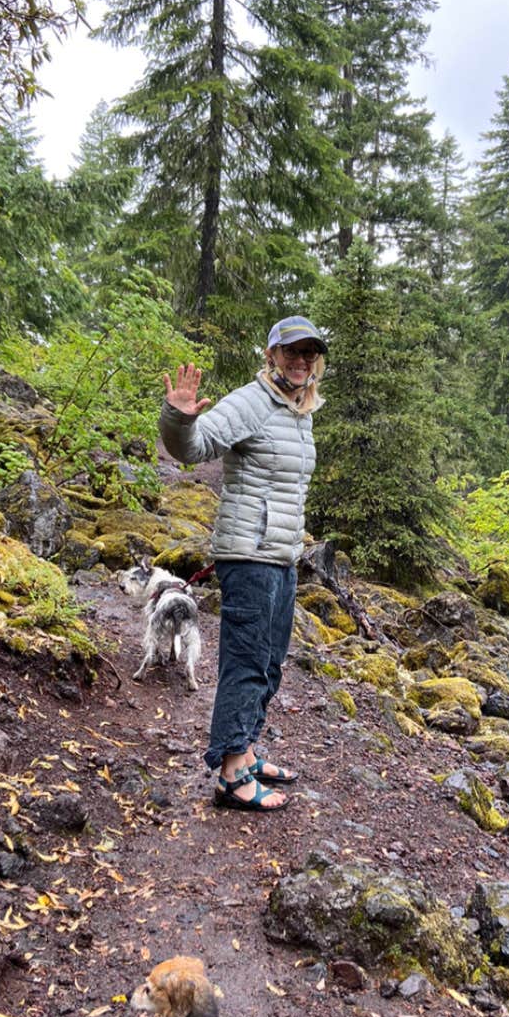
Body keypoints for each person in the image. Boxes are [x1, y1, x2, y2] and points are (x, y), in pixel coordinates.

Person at [160, 315, 326, 811]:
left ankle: (247, 750)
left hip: (280, 557)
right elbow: (192, 447)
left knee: (270, 661)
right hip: (248, 555)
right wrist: (179, 416)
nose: (300, 361)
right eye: (291, 351)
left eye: (309, 353)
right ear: (271, 354)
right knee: (246, 662)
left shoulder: (299, 410)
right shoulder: (252, 401)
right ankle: (231, 774)